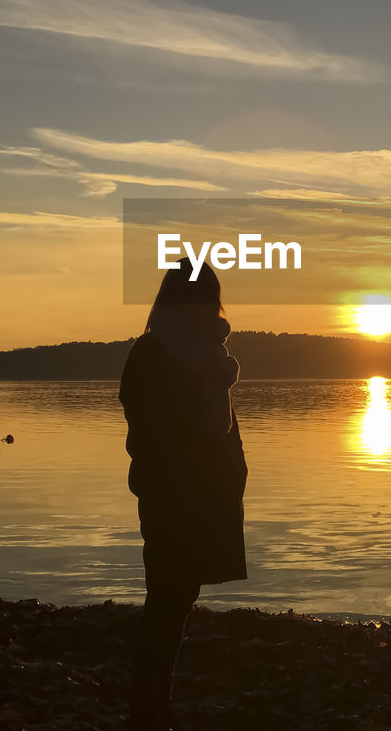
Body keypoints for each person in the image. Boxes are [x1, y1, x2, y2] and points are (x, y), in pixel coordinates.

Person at [119, 258, 248, 731]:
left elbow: (216, 432)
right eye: (207, 299)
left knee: (176, 600)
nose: (212, 308)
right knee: (167, 602)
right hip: (172, 496)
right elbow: (159, 430)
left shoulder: (201, 356)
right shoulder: (159, 355)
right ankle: (147, 711)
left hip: (193, 495)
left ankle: (155, 706)